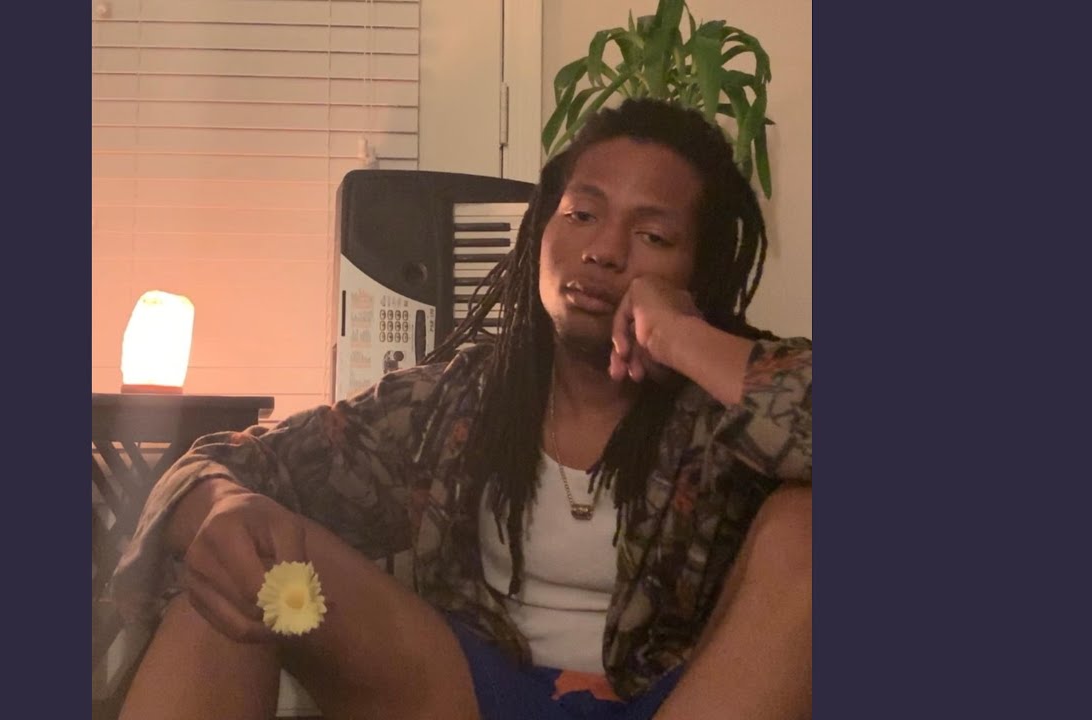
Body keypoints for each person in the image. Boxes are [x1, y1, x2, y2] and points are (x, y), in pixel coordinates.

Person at [111, 98, 812, 720]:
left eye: (653, 236)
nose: (603, 251)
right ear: (541, 227)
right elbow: (221, 462)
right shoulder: (451, 401)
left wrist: (683, 336)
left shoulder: (735, 401)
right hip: (468, 695)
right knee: (233, 569)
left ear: (700, 269)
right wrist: (223, 507)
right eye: (582, 214)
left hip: (688, 701)